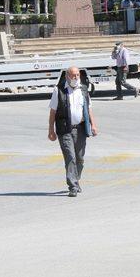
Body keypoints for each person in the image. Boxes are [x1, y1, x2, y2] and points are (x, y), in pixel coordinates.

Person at [48, 66, 98, 197]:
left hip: (81, 129)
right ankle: (73, 186)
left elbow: (89, 109)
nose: (75, 77)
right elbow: (52, 112)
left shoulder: (83, 90)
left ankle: (76, 179)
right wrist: (51, 130)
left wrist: (93, 125)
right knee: (70, 157)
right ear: (66, 76)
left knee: (80, 159)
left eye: (77, 75)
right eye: (73, 75)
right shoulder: (58, 91)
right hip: (65, 129)